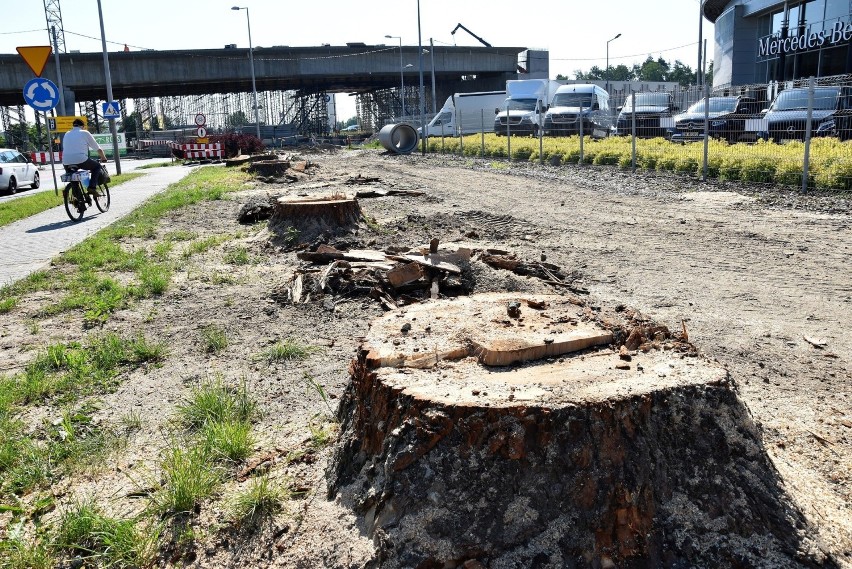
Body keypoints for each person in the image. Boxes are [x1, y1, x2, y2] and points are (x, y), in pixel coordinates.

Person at [61, 119, 107, 204]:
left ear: (73, 126)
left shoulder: (67, 134)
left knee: (74, 181)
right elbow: (98, 149)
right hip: (81, 159)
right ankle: (92, 187)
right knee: (96, 166)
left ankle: (78, 201)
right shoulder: (85, 133)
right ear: (82, 126)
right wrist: (103, 157)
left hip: (66, 161)